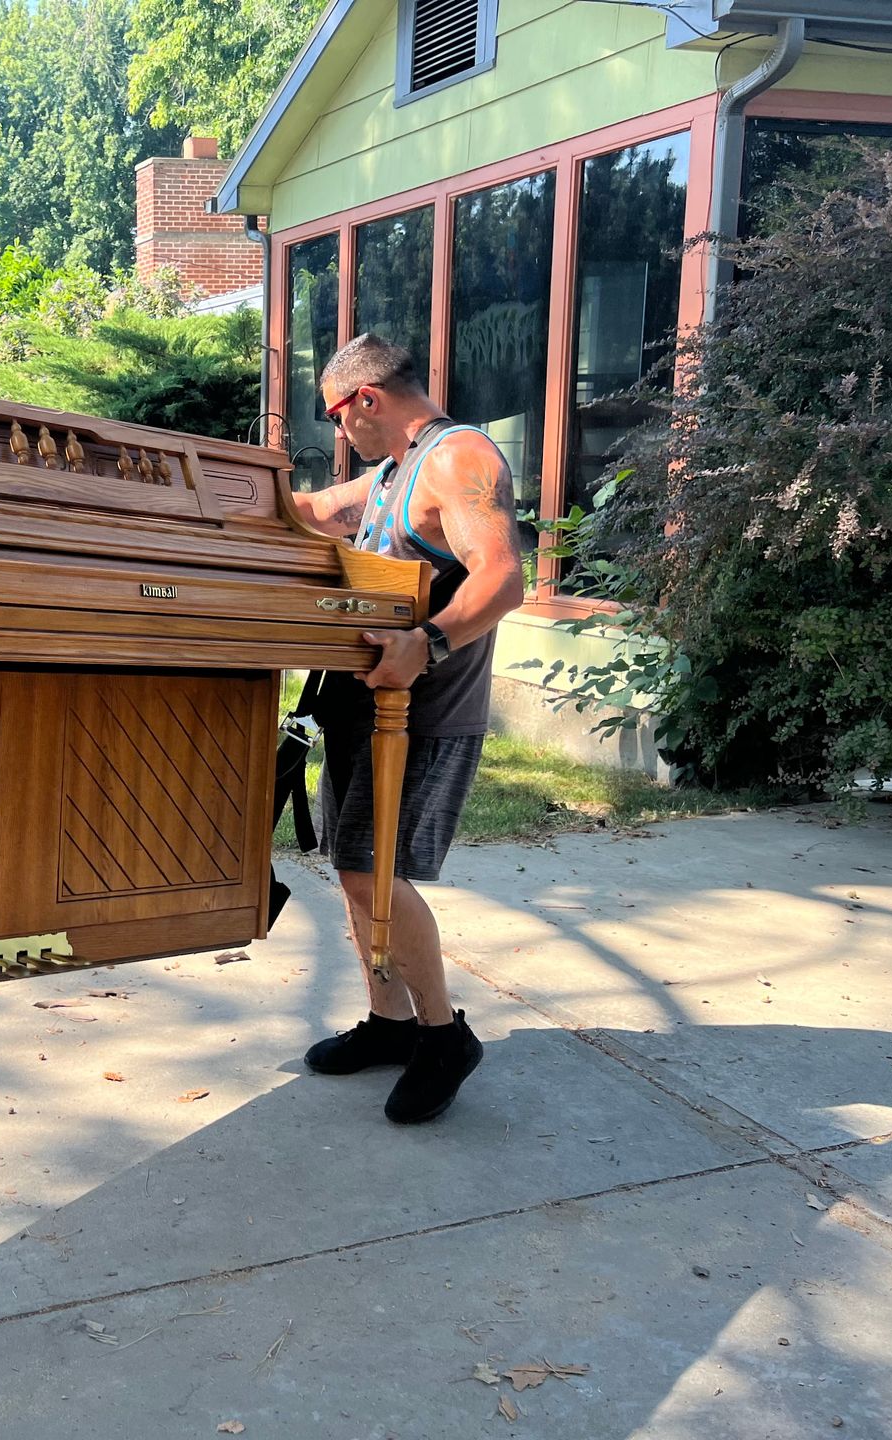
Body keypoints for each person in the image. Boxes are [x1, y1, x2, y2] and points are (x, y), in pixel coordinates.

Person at [285, 333, 525, 1124]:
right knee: (356, 870)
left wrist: (431, 642)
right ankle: (389, 1023)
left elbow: (500, 574)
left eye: (334, 416)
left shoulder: (459, 459)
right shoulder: (393, 472)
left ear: (367, 401)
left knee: (369, 872)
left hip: (424, 713)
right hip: (365, 707)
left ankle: (442, 1034)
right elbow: (317, 510)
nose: (337, 433)